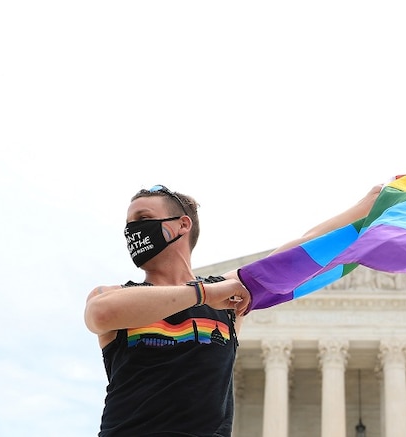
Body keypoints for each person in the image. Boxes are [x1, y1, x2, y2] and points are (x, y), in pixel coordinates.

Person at [84, 183, 382, 436]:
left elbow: (298, 251)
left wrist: (365, 207)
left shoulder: (228, 301)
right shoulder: (115, 295)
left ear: (181, 225)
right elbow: (100, 314)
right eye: (129, 223)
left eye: (143, 218)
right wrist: (206, 292)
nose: (132, 230)